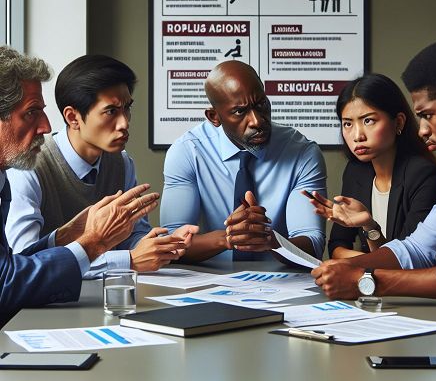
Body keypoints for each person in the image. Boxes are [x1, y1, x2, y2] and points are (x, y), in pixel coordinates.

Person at [311, 38, 436, 317]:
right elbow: (420, 247)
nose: (422, 130)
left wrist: (368, 280)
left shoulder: (425, 172)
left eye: (428, 115)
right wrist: (349, 268)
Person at [0, 45, 160, 327]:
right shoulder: (27, 169)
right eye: (31, 112)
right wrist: (94, 243)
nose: (47, 126)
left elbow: (13, 265)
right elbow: (8, 281)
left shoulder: (5, 176)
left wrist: (65, 235)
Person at [6, 54, 197, 276]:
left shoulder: (122, 163)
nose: (124, 122)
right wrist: (128, 261)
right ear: (73, 117)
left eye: (127, 108)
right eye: (111, 111)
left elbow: (133, 236)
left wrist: (162, 244)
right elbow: (24, 259)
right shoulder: (29, 168)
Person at [160, 60, 327, 263]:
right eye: (240, 111)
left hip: (281, 282)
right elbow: (171, 245)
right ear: (214, 117)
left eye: (261, 105)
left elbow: (313, 245)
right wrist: (228, 238)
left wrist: (270, 240)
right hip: (207, 282)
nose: (257, 121)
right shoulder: (188, 151)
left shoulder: (302, 153)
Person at [306, 74, 436, 259]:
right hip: (372, 282)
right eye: (347, 124)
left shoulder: (424, 176)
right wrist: (368, 263)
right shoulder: (356, 172)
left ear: (399, 122)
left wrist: (370, 227)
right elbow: (337, 247)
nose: (357, 136)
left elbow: (406, 260)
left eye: (368, 121)